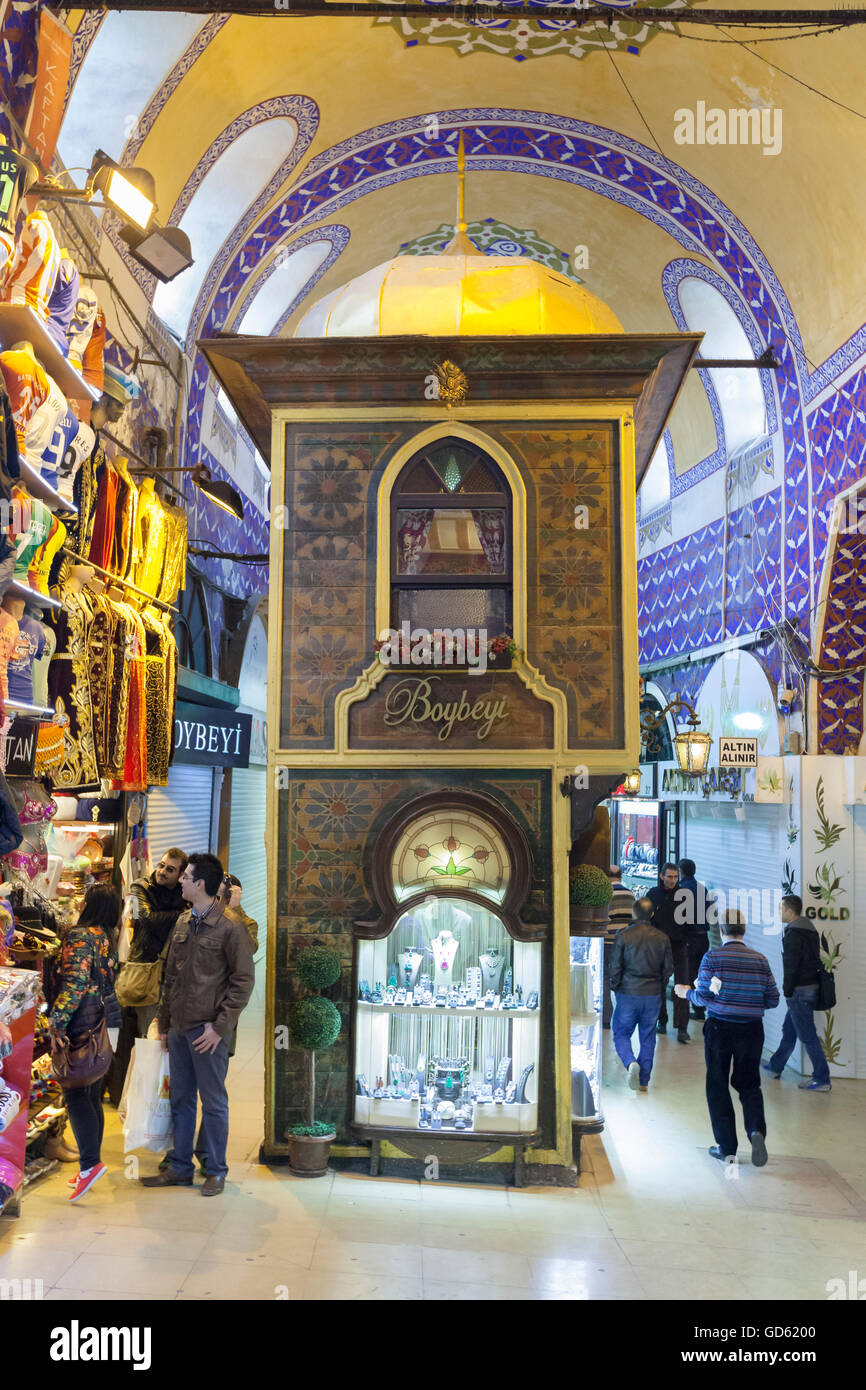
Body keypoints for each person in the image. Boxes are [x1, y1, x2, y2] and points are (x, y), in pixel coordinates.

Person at [141, 852, 255, 1197]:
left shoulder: (230, 927)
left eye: (186, 877)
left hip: (208, 1032)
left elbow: (243, 982)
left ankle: (216, 1171)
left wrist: (219, 1028)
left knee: (214, 1102)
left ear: (200, 884)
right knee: (181, 1100)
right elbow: (169, 976)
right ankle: (179, 1167)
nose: (180, 882)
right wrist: (163, 1021)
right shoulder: (182, 922)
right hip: (178, 1028)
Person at [675, 910, 779, 1167]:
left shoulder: (713, 957)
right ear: (744, 930)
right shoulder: (760, 960)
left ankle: (727, 1148)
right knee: (749, 1084)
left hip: (720, 1028)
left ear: (721, 931)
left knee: (717, 1084)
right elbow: (773, 999)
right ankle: (756, 1131)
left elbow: (705, 997)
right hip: (752, 1030)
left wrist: (685, 993)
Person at [48, 885, 123, 1203]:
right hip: (108, 1020)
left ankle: (90, 1164)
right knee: (92, 1092)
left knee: (76, 1092)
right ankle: (90, 1165)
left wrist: (56, 1022)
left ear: (89, 904)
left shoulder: (81, 936)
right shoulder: (108, 935)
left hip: (84, 1022)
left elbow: (75, 984)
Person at [763, 895, 831, 1091]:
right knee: (790, 1030)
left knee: (807, 1035)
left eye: (780, 909)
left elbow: (792, 966)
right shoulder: (809, 929)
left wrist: (787, 990)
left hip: (799, 991)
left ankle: (822, 1078)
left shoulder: (793, 934)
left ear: (789, 910)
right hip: (809, 988)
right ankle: (776, 1066)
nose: (779, 913)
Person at [609, 897, 673, 1091]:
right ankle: (644, 1081)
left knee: (621, 1032)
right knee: (647, 1036)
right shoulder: (663, 938)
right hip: (652, 994)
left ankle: (630, 1062)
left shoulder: (623, 935)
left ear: (633, 913)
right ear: (652, 914)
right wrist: (659, 988)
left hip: (628, 993)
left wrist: (616, 987)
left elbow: (615, 968)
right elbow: (668, 969)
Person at [126, 848, 189, 1036]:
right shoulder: (139, 887)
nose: (162, 871)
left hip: (173, 972)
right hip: (145, 968)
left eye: (170, 869)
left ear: (180, 875)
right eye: (161, 865)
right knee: (149, 1033)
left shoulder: (184, 891)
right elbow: (144, 919)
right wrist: (181, 914)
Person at [647, 862, 691, 1042]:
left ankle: (682, 1028)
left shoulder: (685, 896)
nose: (673, 880)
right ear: (661, 876)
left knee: (682, 986)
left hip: (679, 946)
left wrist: (688, 942)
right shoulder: (653, 895)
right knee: (659, 986)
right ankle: (662, 1021)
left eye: (675, 877)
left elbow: (691, 921)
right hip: (659, 947)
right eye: (669, 876)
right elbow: (646, 919)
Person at [677, 858, 715, 1022]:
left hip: (690, 938)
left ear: (681, 871)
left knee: (689, 973)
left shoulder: (682, 890)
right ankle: (700, 1008)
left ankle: (696, 1009)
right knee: (701, 973)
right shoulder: (702, 888)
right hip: (703, 938)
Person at [603, 865, 634, 1028]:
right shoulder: (630, 894)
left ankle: (606, 1017)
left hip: (608, 943)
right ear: (620, 876)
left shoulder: (606, 894)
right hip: (625, 944)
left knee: (605, 979)